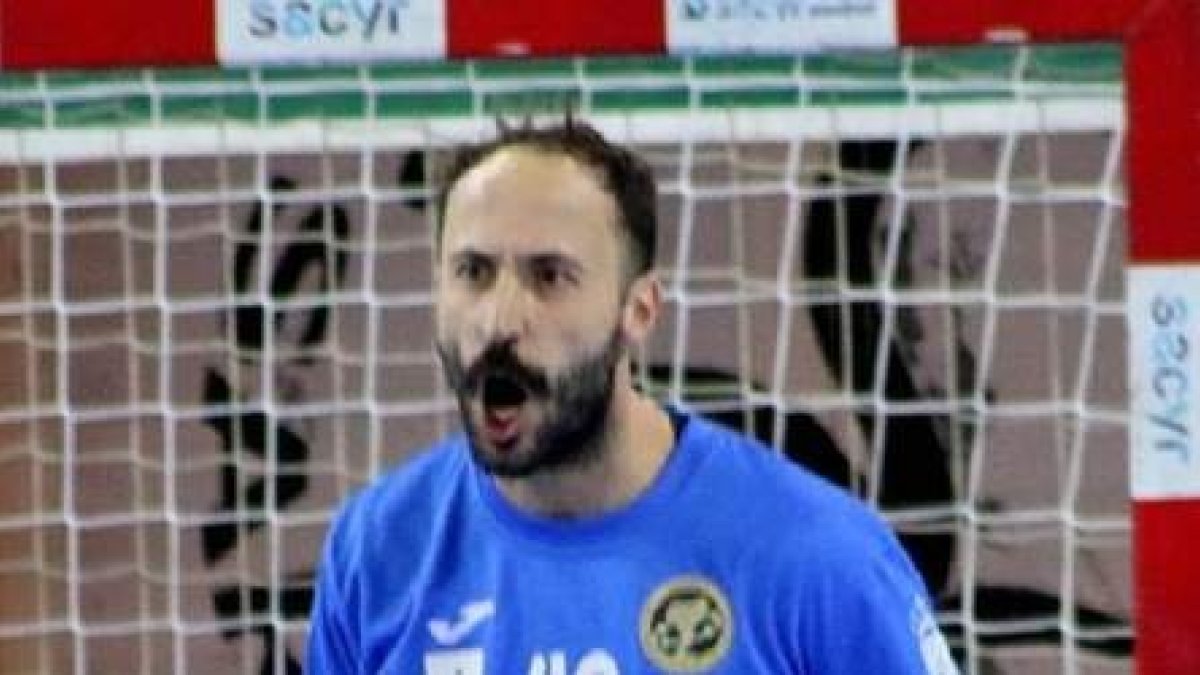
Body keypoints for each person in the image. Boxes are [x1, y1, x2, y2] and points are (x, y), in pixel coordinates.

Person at [306, 118, 959, 674]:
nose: (500, 318)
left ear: (638, 309)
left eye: (550, 276)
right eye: (472, 272)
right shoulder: (379, 549)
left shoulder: (815, 556)